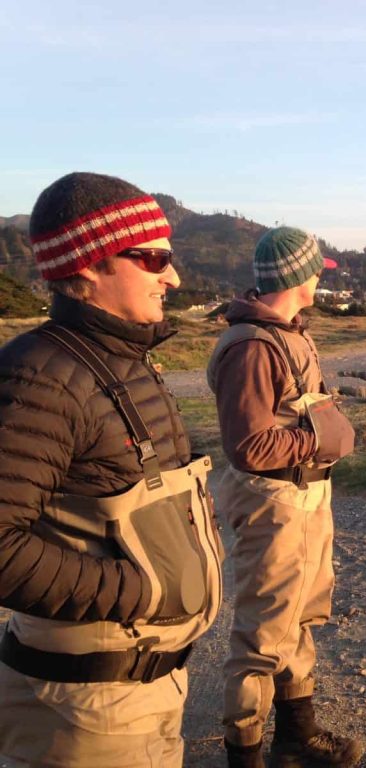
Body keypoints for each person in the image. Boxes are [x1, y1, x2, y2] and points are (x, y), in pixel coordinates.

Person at [0, 172, 224, 766]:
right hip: (89, 708)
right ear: (90, 265)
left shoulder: (119, 358)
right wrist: (142, 588)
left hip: (136, 693)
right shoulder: (42, 376)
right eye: (153, 258)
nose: (172, 276)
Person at [207, 227, 360, 768]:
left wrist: (321, 436)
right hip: (274, 504)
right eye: (318, 270)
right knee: (260, 636)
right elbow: (248, 445)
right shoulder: (251, 346)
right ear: (298, 276)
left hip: (307, 498)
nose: (322, 278)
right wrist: (321, 438)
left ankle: (296, 736)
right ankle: (243, 756)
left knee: (300, 618)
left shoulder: (291, 333)